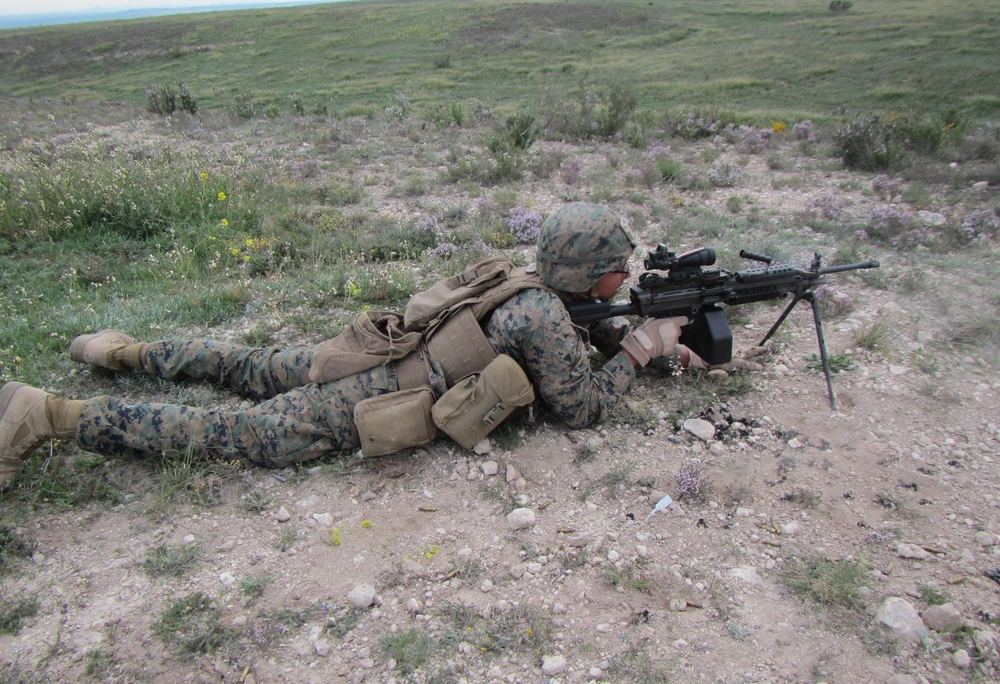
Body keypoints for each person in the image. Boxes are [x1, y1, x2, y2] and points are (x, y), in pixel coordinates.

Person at [0, 202, 753, 487]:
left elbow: (558, 341)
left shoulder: (524, 284)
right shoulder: (547, 317)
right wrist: (642, 350)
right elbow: (581, 409)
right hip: (382, 392)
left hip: (369, 350)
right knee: (244, 433)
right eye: (617, 268)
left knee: (255, 365)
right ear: (590, 274)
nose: (626, 272)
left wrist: (631, 332)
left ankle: (123, 351)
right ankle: (48, 415)